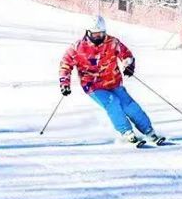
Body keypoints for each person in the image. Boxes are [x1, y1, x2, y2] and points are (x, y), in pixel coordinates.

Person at [59, 16, 165, 146]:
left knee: (129, 105)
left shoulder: (113, 42)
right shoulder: (78, 47)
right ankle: (126, 132)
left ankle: (148, 130)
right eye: (95, 34)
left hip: (113, 81)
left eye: (101, 34)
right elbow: (65, 65)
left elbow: (126, 55)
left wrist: (129, 65)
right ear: (88, 32)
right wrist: (65, 84)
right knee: (112, 102)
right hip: (92, 85)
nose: (98, 37)